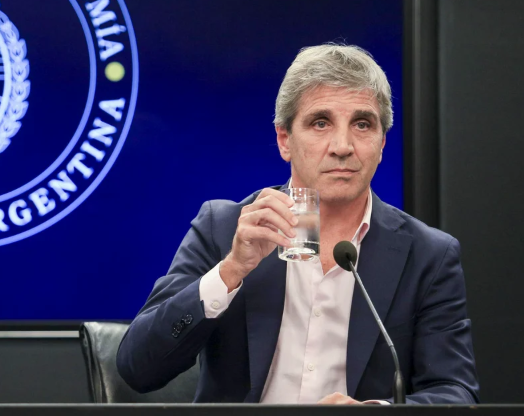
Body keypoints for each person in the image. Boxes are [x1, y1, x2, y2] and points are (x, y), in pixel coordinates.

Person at [117, 44, 479, 405]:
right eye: (321, 123)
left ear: (382, 144)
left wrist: (375, 413)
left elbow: (456, 393)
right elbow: (138, 368)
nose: (342, 146)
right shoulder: (223, 228)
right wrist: (230, 270)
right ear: (284, 140)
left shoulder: (428, 255)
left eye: (362, 124)